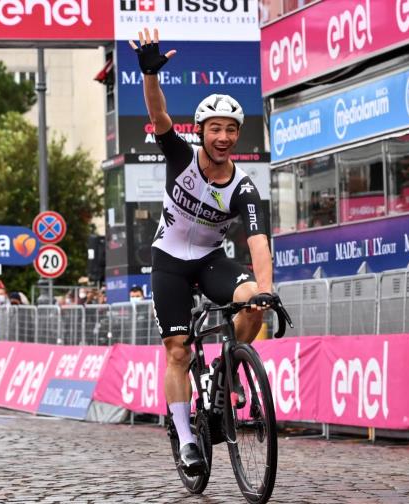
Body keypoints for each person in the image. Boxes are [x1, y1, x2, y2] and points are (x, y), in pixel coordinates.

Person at [130, 28, 278, 475]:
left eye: (231, 129)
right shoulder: (181, 157)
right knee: (178, 351)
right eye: (215, 128)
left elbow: (258, 240)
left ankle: (226, 374)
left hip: (211, 260)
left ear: (238, 135)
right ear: (201, 132)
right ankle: (187, 439)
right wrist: (150, 75)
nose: (223, 136)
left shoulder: (244, 188)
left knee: (252, 301)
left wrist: (267, 290)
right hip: (169, 262)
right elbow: (158, 114)